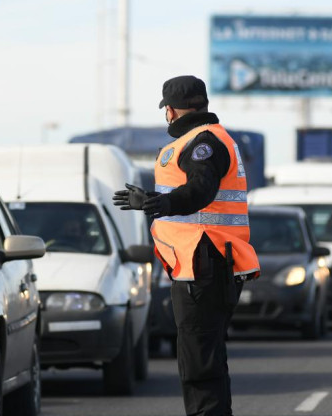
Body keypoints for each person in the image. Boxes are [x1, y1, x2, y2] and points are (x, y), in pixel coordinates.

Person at [113, 75, 260, 416]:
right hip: (204, 265)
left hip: (204, 264)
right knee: (203, 359)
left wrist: (160, 205)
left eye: (166, 109)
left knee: (199, 365)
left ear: (172, 111)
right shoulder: (205, 139)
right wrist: (154, 200)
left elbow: (201, 189)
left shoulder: (202, 143)